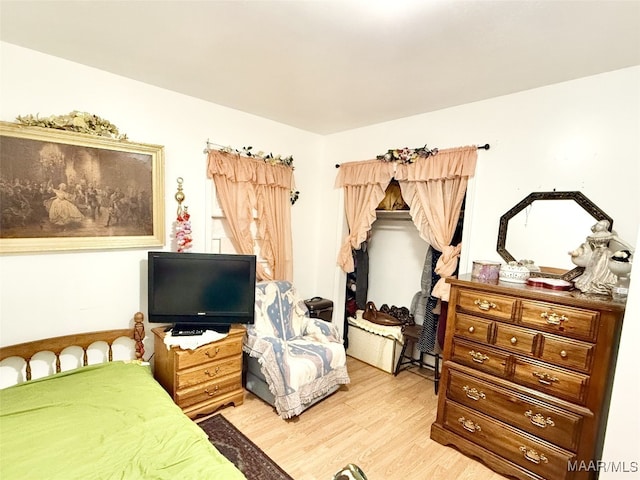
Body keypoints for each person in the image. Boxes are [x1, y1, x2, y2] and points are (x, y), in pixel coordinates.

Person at [572, 220, 616, 295]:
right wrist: (578, 253)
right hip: (596, 253)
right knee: (592, 269)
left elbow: (620, 241)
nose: (599, 226)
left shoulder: (608, 235)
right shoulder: (593, 236)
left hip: (605, 253)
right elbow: (586, 247)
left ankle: (599, 284)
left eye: (601, 225)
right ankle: (590, 283)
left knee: (600, 269)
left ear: (605, 227)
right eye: (598, 224)